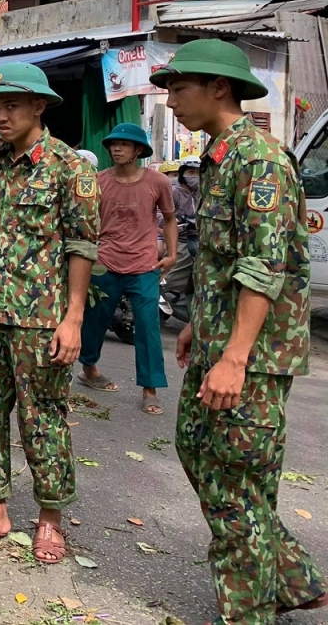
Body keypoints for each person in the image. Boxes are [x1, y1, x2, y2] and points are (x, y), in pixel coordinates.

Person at [149, 39, 326, 622]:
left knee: (235, 484)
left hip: (252, 354)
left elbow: (263, 265)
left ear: (218, 88)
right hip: (222, 339)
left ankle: (246, 609)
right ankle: (294, 579)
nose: (170, 99)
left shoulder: (260, 161)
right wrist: (200, 327)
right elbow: (223, 261)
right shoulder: (222, 157)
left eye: (178, 88)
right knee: (198, 451)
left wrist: (235, 357)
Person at [0, 62, 98, 565]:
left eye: (11, 104)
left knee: (43, 419)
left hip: (41, 316)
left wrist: (73, 317)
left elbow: (82, 243)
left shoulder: (69, 166)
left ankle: (50, 518)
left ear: (39, 106)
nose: (0, 115)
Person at [75, 123, 177, 416]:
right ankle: (90, 368)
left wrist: (171, 254)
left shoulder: (158, 182)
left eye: (124, 144)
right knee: (95, 319)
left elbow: (169, 219)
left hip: (144, 264)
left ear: (138, 151)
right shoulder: (98, 181)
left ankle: (150, 388)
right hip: (105, 261)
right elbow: (84, 221)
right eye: (113, 144)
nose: (116, 149)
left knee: (148, 326)